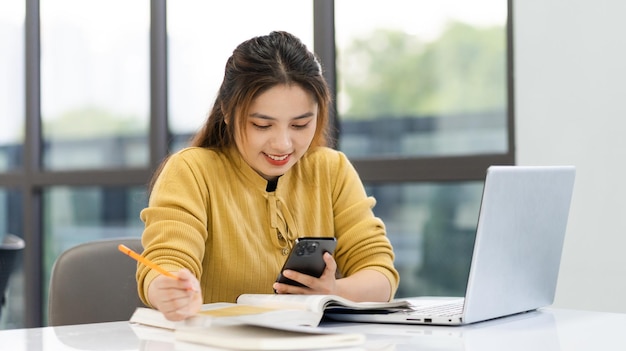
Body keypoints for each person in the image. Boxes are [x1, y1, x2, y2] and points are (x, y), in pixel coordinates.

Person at [136, 31, 399, 321]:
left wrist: (331, 290)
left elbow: (380, 276)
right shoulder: (192, 171)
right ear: (226, 110)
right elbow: (166, 261)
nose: (283, 144)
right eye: (262, 125)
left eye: (300, 125)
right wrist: (167, 287)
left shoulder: (331, 169)